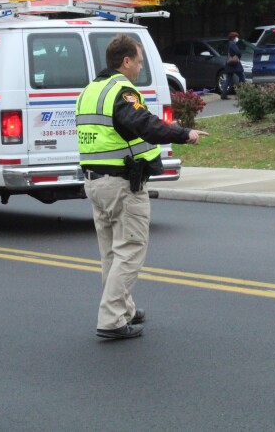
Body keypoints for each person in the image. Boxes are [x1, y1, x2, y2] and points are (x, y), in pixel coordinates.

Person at [77, 34, 208, 340]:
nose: (139, 66)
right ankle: (111, 319)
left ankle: (123, 309)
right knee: (130, 250)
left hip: (95, 184)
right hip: (122, 183)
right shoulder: (121, 91)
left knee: (112, 253)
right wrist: (183, 133)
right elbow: (145, 124)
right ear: (125, 61)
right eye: (137, 60)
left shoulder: (90, 90)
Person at [220, 31, 246, 100]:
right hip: (235, 64)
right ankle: (241, 93)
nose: (237, 38)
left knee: (228, 79)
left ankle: (224, 94)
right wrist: (239, 56)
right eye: (236, 37)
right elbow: (238, 52)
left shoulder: (228, 44)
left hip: (229, 64)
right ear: (233, 38)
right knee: (242, 77)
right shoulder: (233, 44)